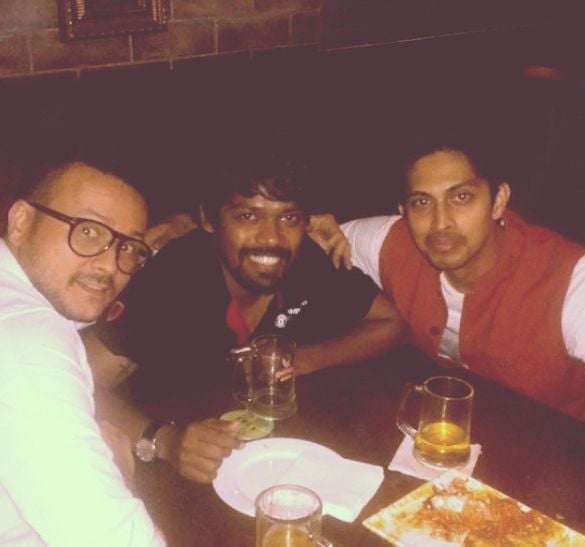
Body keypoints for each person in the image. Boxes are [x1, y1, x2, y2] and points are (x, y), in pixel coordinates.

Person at [87, 157, 405, 484]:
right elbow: (75, 378)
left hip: (272, 459)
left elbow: (389, 323)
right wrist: (162, 440)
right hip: (153, 470)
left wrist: (307, 359)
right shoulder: (169, 283)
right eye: (247, 216)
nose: (271, 238)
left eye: (288, 217)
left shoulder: (306, 263)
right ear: (209, 220)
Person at [317, 138, 585, 421]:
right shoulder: (391, 243)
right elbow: (299, 241)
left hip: (561, 438)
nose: (441, 222)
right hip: (447, 427)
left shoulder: (568, 280)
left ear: (498, 201)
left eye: (461, 197)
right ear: (404, 212)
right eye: (422, 202)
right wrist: (306, 225)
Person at [0, 160, 165, 545]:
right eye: (88, 231)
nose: (110, 265)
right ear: (21, 221)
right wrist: (120, 473)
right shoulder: (27, 335)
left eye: (128, 247)